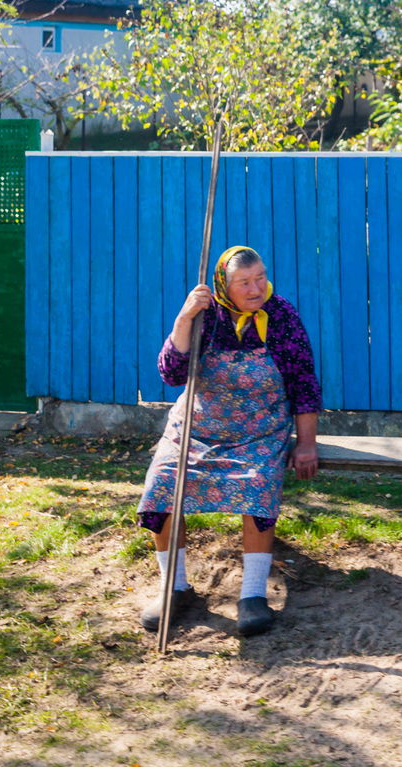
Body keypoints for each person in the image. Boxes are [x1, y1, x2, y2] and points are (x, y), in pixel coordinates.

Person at [136, 245, 321, 637]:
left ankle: (252, 594)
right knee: (162, 483)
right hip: (197, 429)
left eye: (260, 278)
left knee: (257, 484)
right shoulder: (205, 315)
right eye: (245, 283)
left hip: (258, 430)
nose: (256, 289)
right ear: (225, 284)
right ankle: (175, 586)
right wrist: (185, 318)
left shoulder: (282, 317)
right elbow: (171, 373)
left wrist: (305, 443)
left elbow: (303, 384)